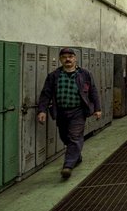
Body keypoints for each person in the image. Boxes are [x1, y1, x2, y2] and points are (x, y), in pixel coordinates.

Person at [37, 47, 102, 179]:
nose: (68, 59)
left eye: (70, 56)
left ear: (75, 58)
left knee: (75, 136)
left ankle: (68, 166)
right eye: (64, 57)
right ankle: (76, 157)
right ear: (60, 59)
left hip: (78, 111)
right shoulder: (54, 76)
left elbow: (93, 91)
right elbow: (46, 94)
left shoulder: (85, 74)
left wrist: (97, 108)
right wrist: (42, 110)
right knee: (64, 137)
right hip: (61, 111)